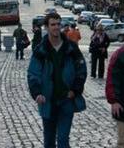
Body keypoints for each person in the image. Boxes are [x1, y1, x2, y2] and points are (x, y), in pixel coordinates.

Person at [27, 13, 87, 148]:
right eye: (53, 24)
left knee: (63, 140)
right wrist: (37, 93)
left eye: (58, 24)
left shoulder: (71, 48)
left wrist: (75, 90)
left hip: (66, 100)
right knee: (48, 141)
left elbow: (81, 70)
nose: (56, 27)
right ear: (47, 27)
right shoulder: (41, 50)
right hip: (48, 101)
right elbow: (33, 73)